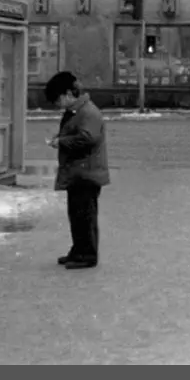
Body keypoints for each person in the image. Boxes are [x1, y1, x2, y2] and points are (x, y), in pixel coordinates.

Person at [44, 71, 110, 270]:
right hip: (79, 172)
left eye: (57, 99)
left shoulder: (87, 112)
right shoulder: (77, 111)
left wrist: (61, 142)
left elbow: (87, 138)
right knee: (77, 215)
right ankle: (78, 250)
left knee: (84, 215)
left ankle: (86, 254)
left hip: (86, 172)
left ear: (67, 94)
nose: (57, 104)